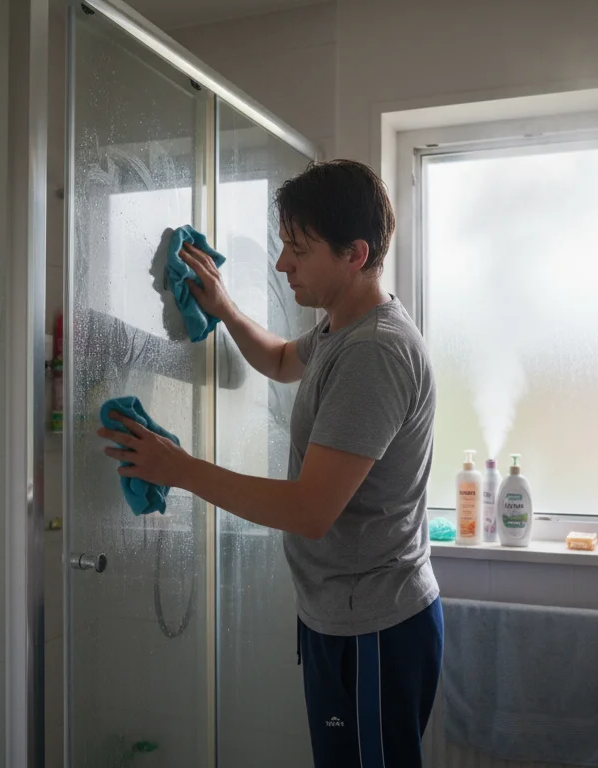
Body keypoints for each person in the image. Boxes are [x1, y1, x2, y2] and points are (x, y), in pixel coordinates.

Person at [98, 159, 441, 767]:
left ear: (354, 253)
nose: (283, 265)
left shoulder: (374, 353)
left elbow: (310, 512)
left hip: (372, 628)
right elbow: (282, 359)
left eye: (298, 249)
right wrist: (226, 308)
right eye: (285, 244)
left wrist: (178, 468)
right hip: (344, 616)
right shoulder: (342, 328)